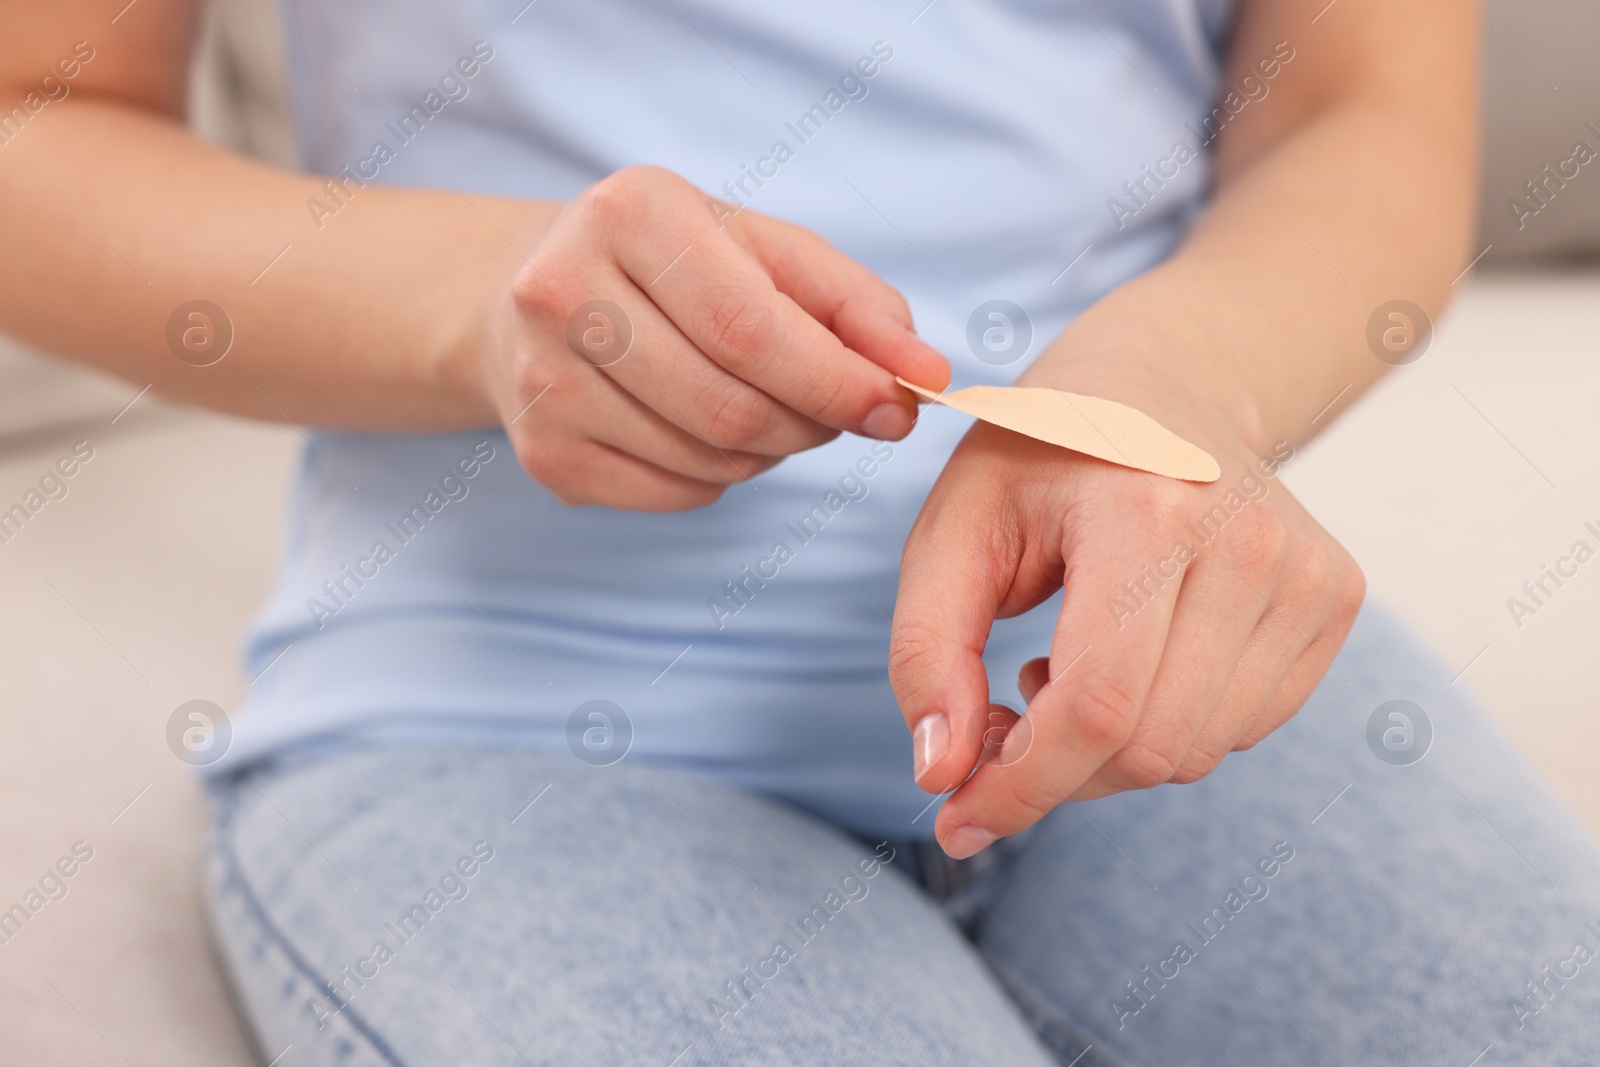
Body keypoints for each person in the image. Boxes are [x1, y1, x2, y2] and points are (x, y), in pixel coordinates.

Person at [5, 0, 1599, 1063]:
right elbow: (34, 123)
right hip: (507, 736)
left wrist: (1178, 385)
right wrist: (475, 306)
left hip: (1154, 679)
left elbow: (1362, 111)